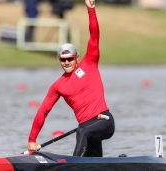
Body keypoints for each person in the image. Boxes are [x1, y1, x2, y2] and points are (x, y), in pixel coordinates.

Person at [27, 0, 115, 157]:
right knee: (92, 161)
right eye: (63, 59)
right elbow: (42, 112)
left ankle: (72, 165)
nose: (67, 62)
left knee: (82, 131)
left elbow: (94, 35)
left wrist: (91, 10)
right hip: (87, 129)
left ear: (76, 58)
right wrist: (32, 139)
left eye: (70, 58)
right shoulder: (57, 86)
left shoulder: (89, 63)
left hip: (105, 120)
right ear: (59, 60)